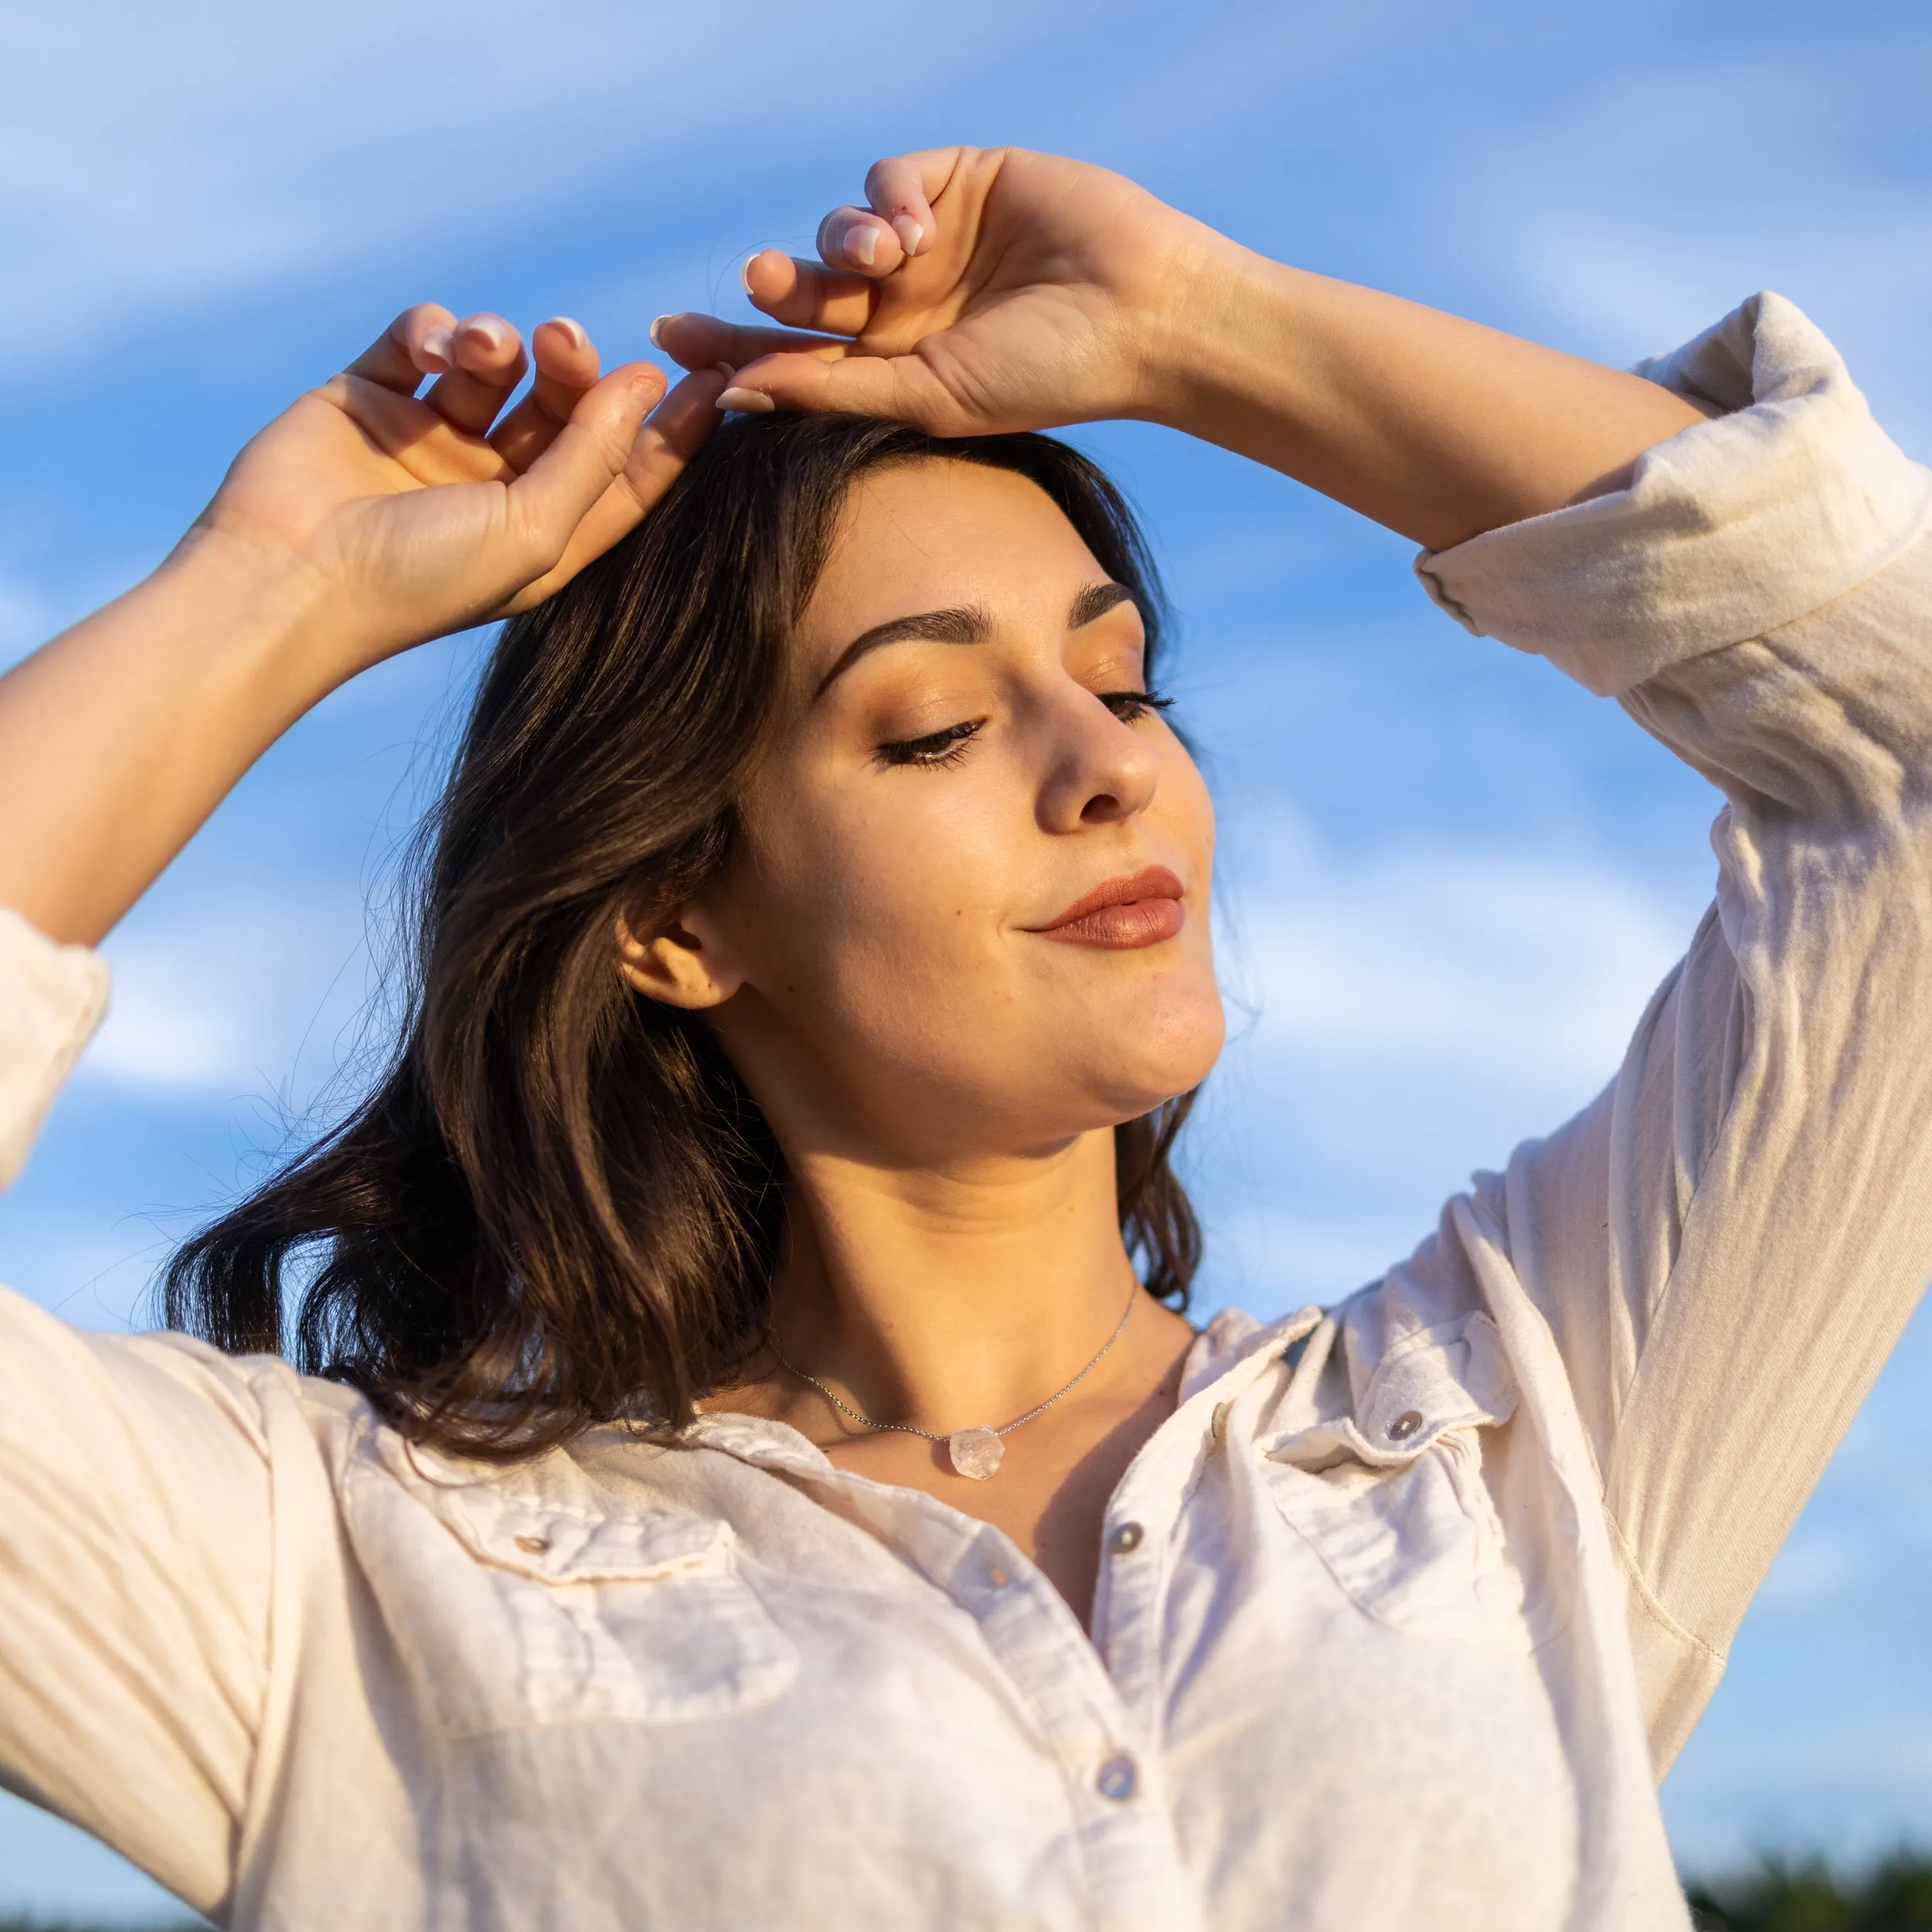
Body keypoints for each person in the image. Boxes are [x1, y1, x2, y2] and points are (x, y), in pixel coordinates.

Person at [0, 144, 1927, 1932]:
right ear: (675, 921)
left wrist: (1199, 327)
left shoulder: (1524, 1429)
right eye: (930, 726)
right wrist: (262, 597)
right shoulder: (344, 1575)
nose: (1106, 767)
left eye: (1119, 677)